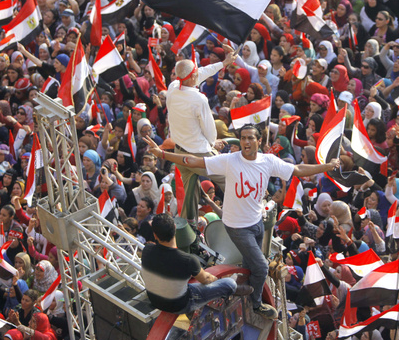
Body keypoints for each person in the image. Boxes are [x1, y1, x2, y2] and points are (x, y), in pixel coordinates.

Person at [144, 125, 340, 319]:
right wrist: (162, 154)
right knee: (262, 267)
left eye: (250, 138)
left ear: (259, 141)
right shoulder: (230, 160)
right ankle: (256, 304)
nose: (246, 142)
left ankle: (245, 291)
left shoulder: (269, 161)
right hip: (236, 227)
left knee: (250, 265)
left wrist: (327, 167)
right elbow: (193, 161)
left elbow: (297, 169)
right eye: (243, 138)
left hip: (257, 223)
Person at [165, 54, 233, 224]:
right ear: (193, 77)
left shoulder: (173, 87)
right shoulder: (198, 99)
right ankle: (238, 217)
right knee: (229, 176)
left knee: (190, 197)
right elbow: (210, 132)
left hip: (180, 153)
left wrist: (223, 63)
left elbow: (198, 73)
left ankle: (191, 231)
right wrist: (212, 144)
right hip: (200, 155)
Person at [140, 212, 251, 314]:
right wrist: (218, 280)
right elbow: (206, 280)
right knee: (229, 284)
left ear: (155, 235)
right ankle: (232, 289)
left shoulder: (147, 250)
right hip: (179, 305)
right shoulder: (187, 260)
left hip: (154, 301)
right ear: (175, 228)